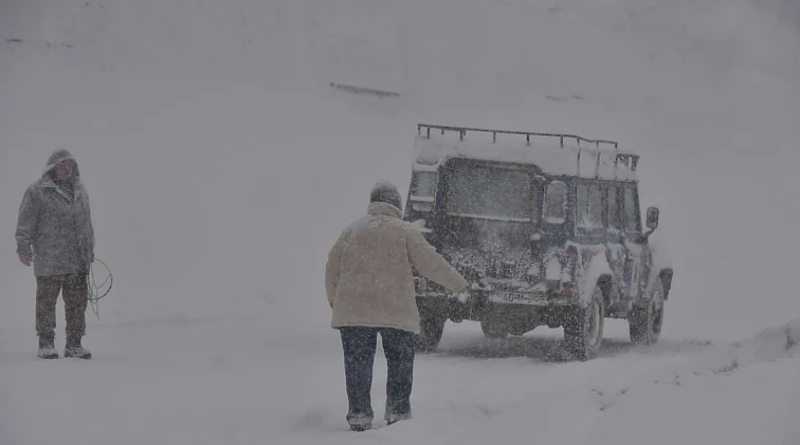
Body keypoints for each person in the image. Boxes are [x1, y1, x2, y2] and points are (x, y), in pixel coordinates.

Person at [325, 182, 469, 431]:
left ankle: (359, 414)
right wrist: (459, 284)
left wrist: (336, 301)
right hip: (396, 310)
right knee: (400, 361)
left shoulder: (352, 230)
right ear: (396, 204)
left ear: (373, 202)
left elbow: (332, 269)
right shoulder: (405, 232)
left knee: (358, 364)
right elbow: (431, 263)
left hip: (355, 311)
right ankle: (398, 411)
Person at [15, 148, 95, 360]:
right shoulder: (37, 191)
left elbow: (87, 224)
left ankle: (74, 344)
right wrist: (23, 247)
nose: (66, 169)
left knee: (77, 303)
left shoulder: (80, 190)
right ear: (52, 167)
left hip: (77, 260)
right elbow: (25, 221)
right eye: (62, 165)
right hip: (49, 258)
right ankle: (46, 342)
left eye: (69, 166)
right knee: (46, 303)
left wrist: (89, 250)